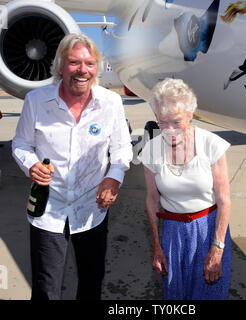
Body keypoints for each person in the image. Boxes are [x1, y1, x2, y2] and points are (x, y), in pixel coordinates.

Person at [12, 34, 133, 300]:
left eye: (89, 63)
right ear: (59, 66)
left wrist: (114, 177)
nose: (82, 70)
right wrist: (30, 164)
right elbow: (20, 143)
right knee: (45, 287)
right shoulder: (36, 101)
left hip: (92, 208)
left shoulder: (110, 103)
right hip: (48, 209)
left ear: (97, 68)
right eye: (74, 62)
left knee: (92, 282)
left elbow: (122, 148)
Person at [138, 78, 231, 300]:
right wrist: (157, 245)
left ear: (191, 114)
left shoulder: (212, 144)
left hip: (209, 229)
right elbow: (152, 200)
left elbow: (224, 200)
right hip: (173, 232)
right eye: (162, 123)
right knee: (176, 296)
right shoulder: (151, 150)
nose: (169, 131)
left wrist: (217, 248)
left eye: (176, 122)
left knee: (210, 294)